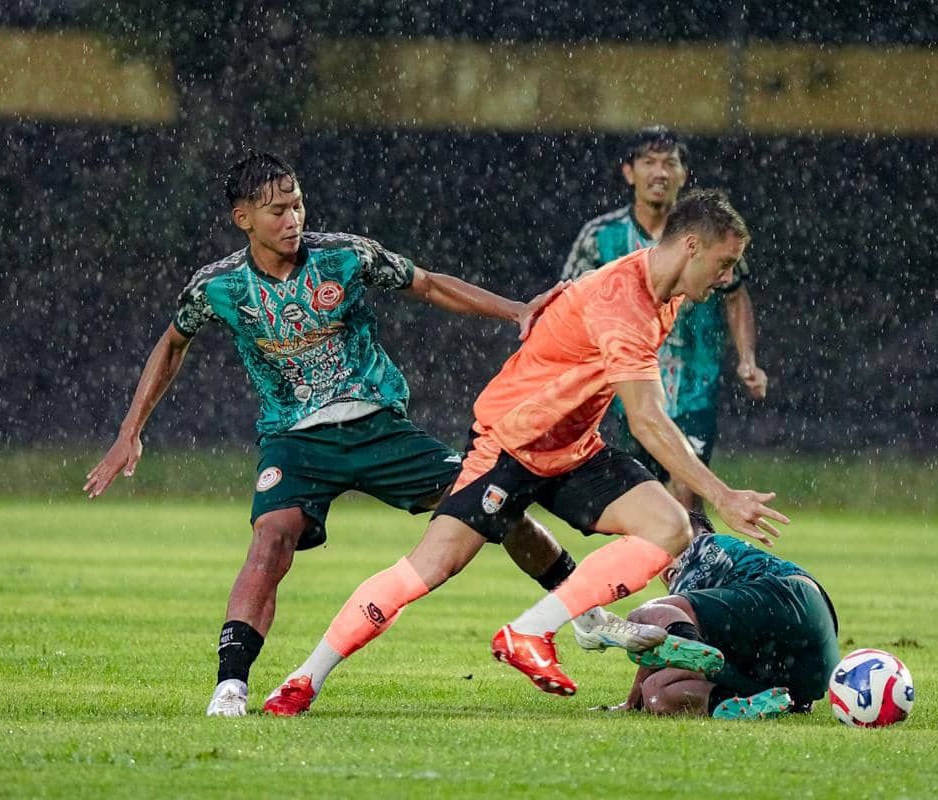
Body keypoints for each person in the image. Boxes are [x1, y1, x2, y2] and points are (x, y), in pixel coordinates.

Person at [83, 151, 587, 717]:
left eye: (297, 204)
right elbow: (173, 342)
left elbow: (428, 285)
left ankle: (584, 609)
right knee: (270, 540)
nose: (292, 218)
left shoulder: (345, 255)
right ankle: (231, 687)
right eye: (276, 211)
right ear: (242, 218)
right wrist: (131, 431)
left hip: (378, 427)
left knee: (495, 506)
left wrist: (516, 310)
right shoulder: (218, 286)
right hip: (296, 441)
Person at [263, 189, 790, 715]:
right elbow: (648, 419)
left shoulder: (666, 297)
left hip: (572, 448)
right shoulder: (624, 303)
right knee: (429, 567)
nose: (726, 278)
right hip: (511, 445)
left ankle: (536, 629)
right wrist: (721, 494)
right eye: (725, 264)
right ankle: (304, 678)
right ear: (691, 246)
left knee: (670, 525)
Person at [561, 125, 768, 511]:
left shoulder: (708, 233)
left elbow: (736, 295)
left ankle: (691, 566)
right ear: (629, 172)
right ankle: (655, 565)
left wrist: (747, 358)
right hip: (626, 386)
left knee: (687, 492)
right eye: (649, 162)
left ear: (683, 174)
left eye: (669, 163)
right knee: (641, 497)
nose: (660, 173)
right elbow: (568, 300)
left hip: (693, 383)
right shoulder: (601, 236)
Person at [599, 512, 839, 721]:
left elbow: (658, 625)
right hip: (804, 671)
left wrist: (631, 700)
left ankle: (694, 657)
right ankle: (740, 703)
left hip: (795, 600)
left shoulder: (703, 543)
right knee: (657, 692)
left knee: (643, 614)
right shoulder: (719, 607)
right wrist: (637, 700)